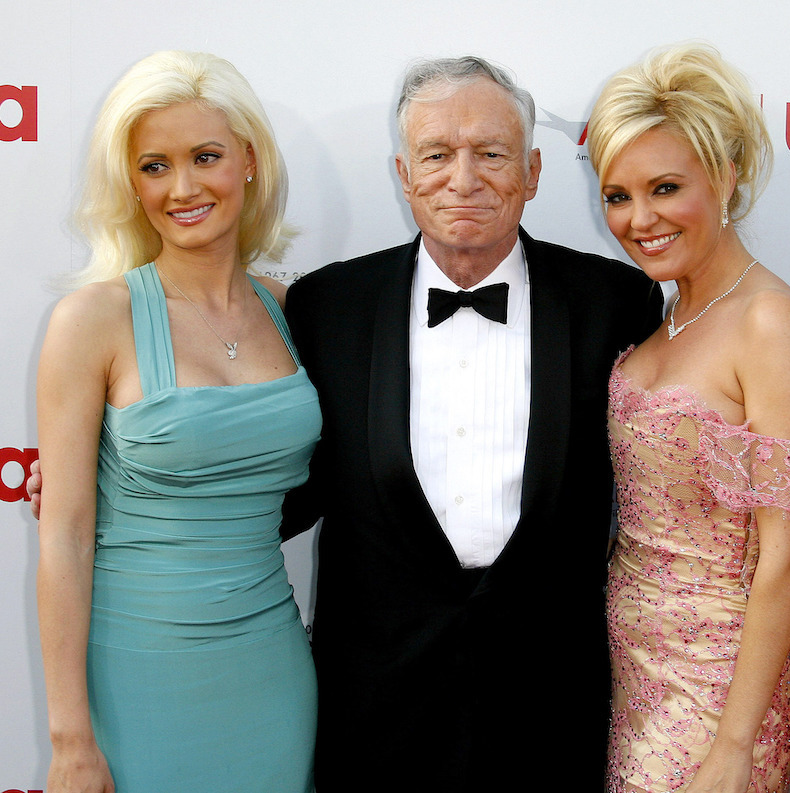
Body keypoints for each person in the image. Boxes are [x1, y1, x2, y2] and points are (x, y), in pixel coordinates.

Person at [278, 57, 663, 790]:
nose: (463, 177)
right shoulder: (329, 307)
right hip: (376, 705)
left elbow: (678, 465)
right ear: (402, 171)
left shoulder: (617, 300)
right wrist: (128, 489)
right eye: (436, 154)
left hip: (551, 702)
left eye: (490, 153)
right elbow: (287, 482)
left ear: (534, 170)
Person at [35, 51, 318, 792]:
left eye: (205, 157)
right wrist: (70, 739)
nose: (183, 187)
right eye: (155, 165)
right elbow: (62, 535)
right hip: (136, 674)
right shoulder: (93, 319)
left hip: (272, 667)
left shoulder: (292, 312)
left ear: (249, 161)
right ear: (130, 182)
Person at [587, 44, 790, 793]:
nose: (640, 218)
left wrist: (734, 744)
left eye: (666, 187)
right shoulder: (670, 315)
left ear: (725, 176)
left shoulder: (772, 323)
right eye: (618, 194)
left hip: (722, 686)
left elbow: (786, 556)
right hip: (634, 670)